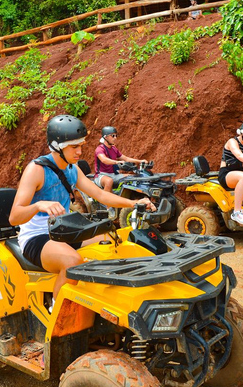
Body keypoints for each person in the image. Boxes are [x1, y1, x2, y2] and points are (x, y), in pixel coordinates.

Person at [9, 115, 155, 301]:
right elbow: (14, 217)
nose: (79, 151)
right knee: (72, 262)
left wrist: (134, 203)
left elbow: (101, 195)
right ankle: (58, 311)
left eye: (81, 146)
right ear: (57, 146)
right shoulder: (36, 170)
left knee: (114, 244)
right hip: (37, 236)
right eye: (74, 147)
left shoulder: (72, 169)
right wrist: (38, 205)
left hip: (64, 231)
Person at [94, 126, 146, 192]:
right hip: (101, 175)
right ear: (105, 137)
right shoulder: (100, 149)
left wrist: (140, 161)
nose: (115, 138)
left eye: (116, 135)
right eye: (113, 136)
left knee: (132, 178)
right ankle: (106, 201)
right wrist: (117, 162)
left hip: (114, 175)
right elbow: (104, 160)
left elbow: (126, 158)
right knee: (109, 181)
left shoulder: (114, 149)